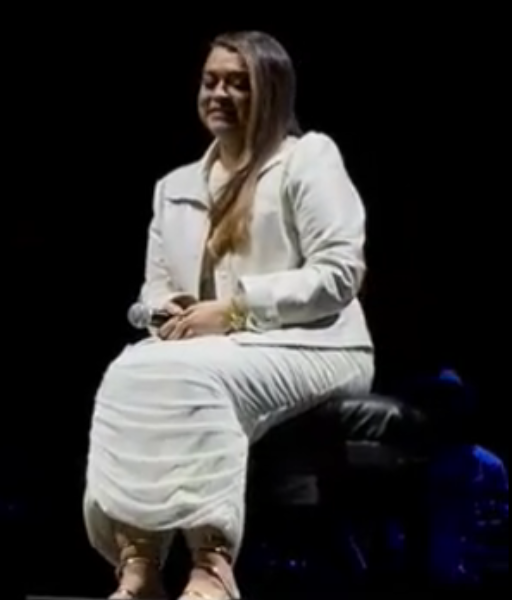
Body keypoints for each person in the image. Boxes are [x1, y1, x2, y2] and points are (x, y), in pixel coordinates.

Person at [83, 31, 375, 599]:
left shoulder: (307, 158)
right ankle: (138, 562)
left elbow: (340, 275)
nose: (220, 93)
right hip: (213, 346)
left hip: (319, 344)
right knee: (128, 370)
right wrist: (165, 311)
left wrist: (237, 309)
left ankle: (211, 566)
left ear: (273, 91)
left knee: (196, 375)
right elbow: (157, 284)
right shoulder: (175, 187)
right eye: (211, 80)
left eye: (238, 83)